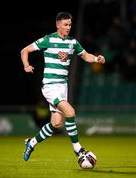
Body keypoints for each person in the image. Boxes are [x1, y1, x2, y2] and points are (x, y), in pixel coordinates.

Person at [20, 12, 105, 163]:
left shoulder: (73, 42)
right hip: (50, 86)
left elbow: (85, 56)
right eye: (65, 25)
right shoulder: (48, 39)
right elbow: (24, 50)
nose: (68, 27)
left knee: (56, 124)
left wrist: (97, 58)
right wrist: (26, 65)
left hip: (62, 87)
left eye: (70, 25)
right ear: (58, 25)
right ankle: (78, 150)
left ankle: (31, 143)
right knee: (70, 112)